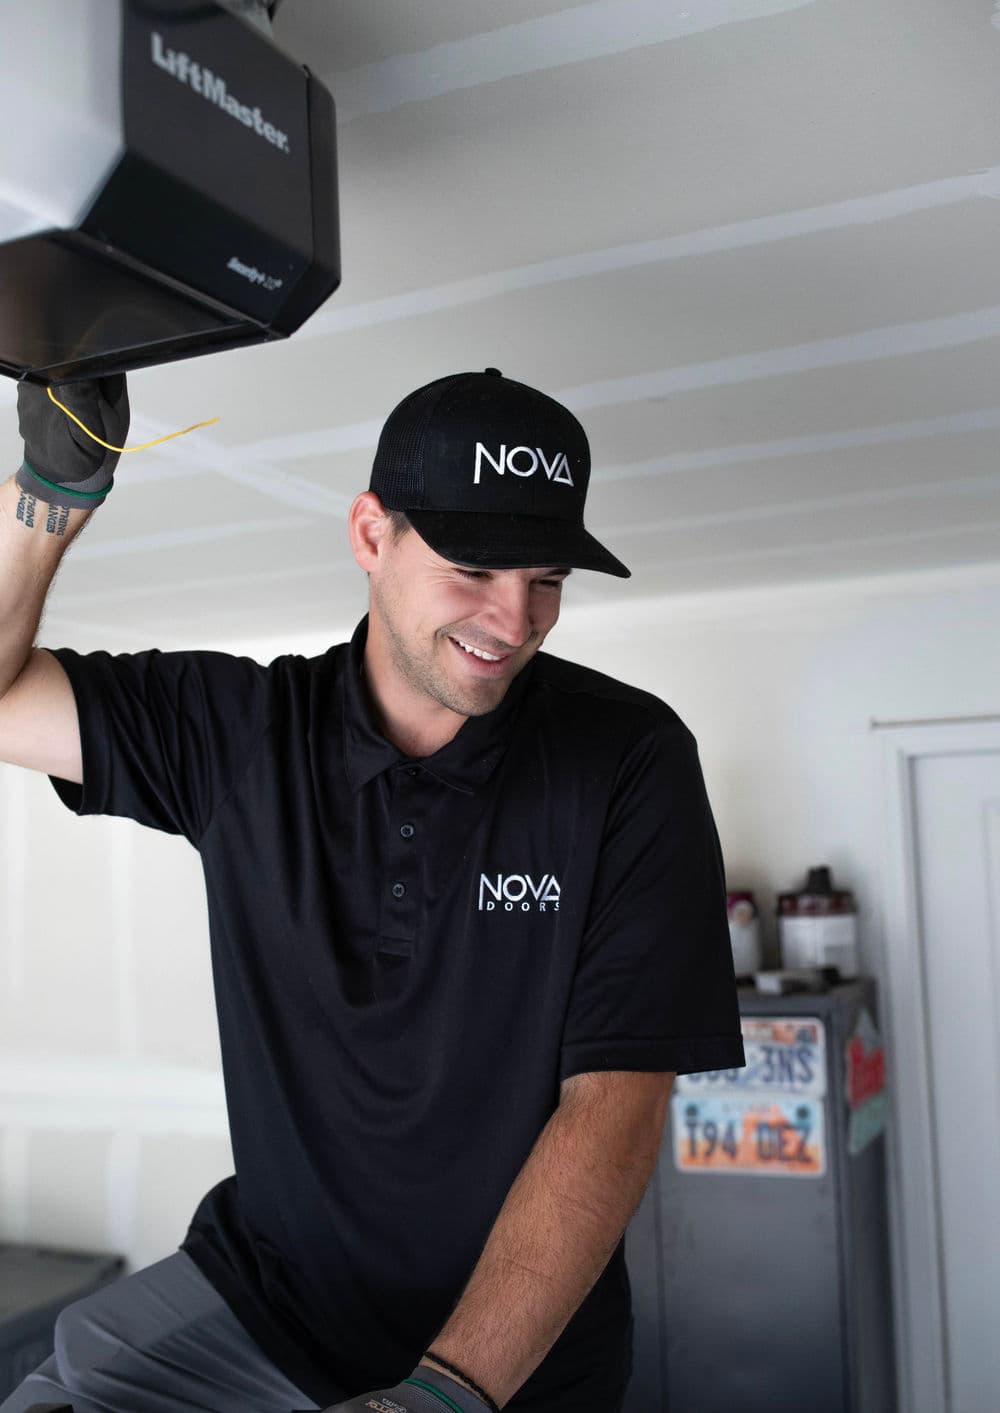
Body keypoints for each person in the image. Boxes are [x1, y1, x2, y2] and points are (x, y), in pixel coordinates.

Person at [0, 367, 744, 1413]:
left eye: (545, 579)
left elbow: (613, 1107)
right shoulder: (239, 731)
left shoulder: (625, 757)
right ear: (369, 534)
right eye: (474, 568)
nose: (515, 618)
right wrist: (50, 495)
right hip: (263, 1308)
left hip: (507, 1363)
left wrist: (444, 1394)